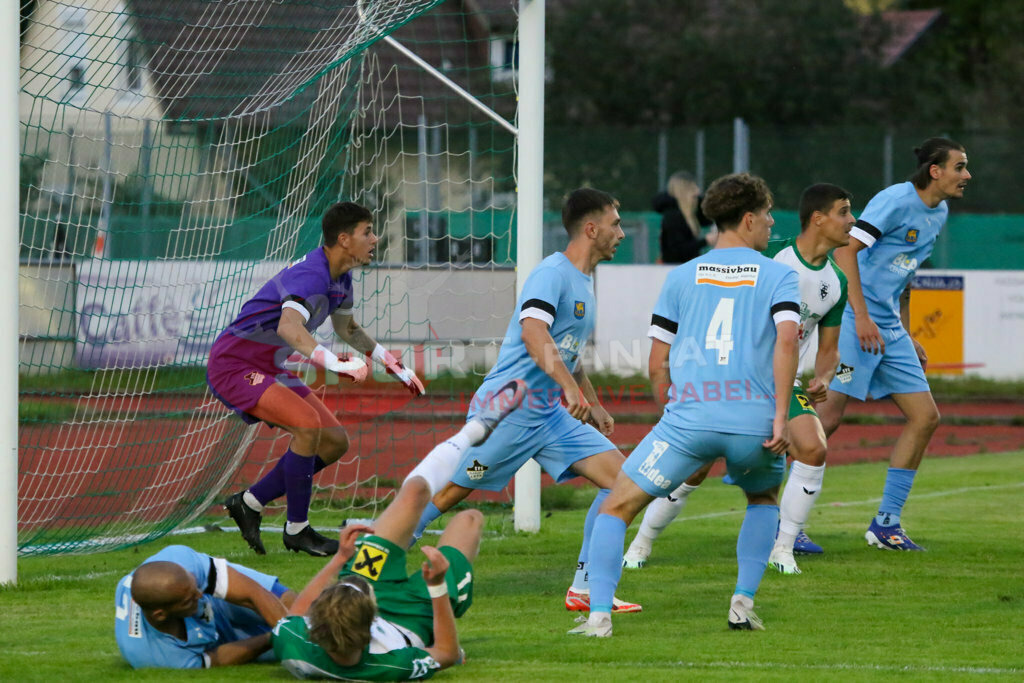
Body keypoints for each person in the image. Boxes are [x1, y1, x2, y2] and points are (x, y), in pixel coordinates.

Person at [569, 173, 801, 637]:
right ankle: (742, 602)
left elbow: (658, 362)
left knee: (617, 507)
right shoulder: (780, 274)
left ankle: (597, 617)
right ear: (750, 219)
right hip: (755, 422)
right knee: (762, 499)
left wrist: (672, 416)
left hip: (689, 420)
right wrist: (780, 416)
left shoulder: (682, 275)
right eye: (769, 215)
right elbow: (788, 341)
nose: (773, 224)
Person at [409, 188, 641, 615]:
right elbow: (536, 333)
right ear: (591, 229)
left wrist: (592, 400)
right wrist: (569, 389)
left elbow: (566, 351)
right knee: (448, 494)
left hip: (550, 414)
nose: (621, 233)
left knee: (624, 484)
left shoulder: (584, 283)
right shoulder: (553, 273)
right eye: (616, 223)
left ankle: (585, 588)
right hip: (508, 411)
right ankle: (378, 551)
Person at [622, 183, 855, 575]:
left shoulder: (836, 282)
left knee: (813, 448)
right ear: (818, 219)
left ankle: (783, 548)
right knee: (693, 468)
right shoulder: (770, 253)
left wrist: (824, 376)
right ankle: (641, 542)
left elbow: (829, 348)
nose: (853, 221)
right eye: (845, 212)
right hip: (728, 378)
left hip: (777, 384)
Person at [211, 201, 426, 557]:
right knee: (308, 426)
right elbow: (288, 326)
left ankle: (250, 503)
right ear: (344, 239)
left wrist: (394, 365)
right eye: (367, 232)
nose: (375, 239)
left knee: (335, 441)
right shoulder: (312, 275)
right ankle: (297, 529)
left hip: (269, 366)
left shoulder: (341, 276)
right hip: (234, 365)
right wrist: (336, 365)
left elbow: (347, 328)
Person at [271, 382, 526, 681]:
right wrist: (438, 587)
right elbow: (445, 652)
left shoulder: (292, 644)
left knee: (416, 490)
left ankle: (476, 430)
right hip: (414, 616)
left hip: (357, 597)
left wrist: (341, 558)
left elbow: (293, 616)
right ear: (371, 627)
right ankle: (473, 436)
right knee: (470, 518)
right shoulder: (392, 664)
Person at [816, 138, 971, 551]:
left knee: (925, 417)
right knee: (824, 421)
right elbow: (846, 251)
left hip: (888, 329)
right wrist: (863, 317)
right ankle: (782, 520)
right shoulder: (895, 201)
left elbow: (905, 276)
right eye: (960, 167)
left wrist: (907, 330)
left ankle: (886, 524)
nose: (966, 176)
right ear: (935, 171)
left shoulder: (939, 212)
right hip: (853, 322)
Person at [114, 544, 296, 669]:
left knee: (294, 606)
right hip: (209, 638)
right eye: (188, 599)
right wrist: (271, 638)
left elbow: (252, 592)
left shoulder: (182, 562)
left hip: (216, 600)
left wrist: (292, 633)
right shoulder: (155, 657)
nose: (199, 595)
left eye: (195, 589)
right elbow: (214, 659)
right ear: (160, 615)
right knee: (285, 652)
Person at [653, 170, 715, 264]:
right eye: (693, 188)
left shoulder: (690, 212)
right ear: (684, 192)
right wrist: (705, 241)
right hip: (674, 267)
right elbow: (676, 251)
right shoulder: (673, 217)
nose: (698, 192)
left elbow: (707, 213)